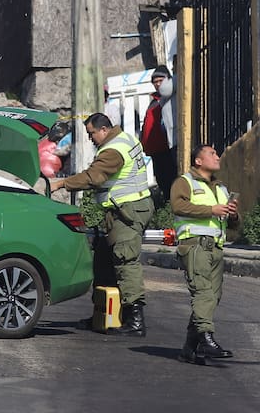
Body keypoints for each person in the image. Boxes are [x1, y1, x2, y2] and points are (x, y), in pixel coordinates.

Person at [50, 113, 154, 336]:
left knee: (126, 261)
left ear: (104, 130)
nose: (90, 139)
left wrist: (61, 183)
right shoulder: (125, 138)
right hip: (124, 209)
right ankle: (104, 314)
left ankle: (135, 320)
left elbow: (94, 177)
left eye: (91, 134)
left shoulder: (112, 151)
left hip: (128, 211)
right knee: (104, 260)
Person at [171, 144, 239, 364]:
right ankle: (207, 340)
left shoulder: (220, 188)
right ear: (198, 161)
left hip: (216, 248)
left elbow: (231, 225)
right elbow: (178, 206)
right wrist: (212, 210)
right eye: (212, 153)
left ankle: (190, 348)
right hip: (195, 245)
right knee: (203, 293)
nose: (217, 157)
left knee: (212, 298)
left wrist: (232, 214)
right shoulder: (185, 181)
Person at [141, 65, 177, 200]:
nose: (157, 84)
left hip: (166, 148)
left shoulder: (169, 99)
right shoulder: (154, 101)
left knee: (170, 180)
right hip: (155, 151)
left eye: (160, 80)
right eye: (155, 82)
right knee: (162, 180)